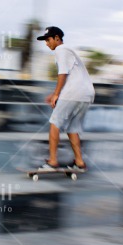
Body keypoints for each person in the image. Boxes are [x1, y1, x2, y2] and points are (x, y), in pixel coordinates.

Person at [36, 26, 95, 172]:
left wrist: (56, 94)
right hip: (86, 95)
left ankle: (53, 161)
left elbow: (63, 73)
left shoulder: (61, 50)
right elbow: (72, 75)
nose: (47, 43)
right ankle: (80, 162)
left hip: (74, 93)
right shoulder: (69, 51)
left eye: (48, 39)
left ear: (57, 38)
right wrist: (55, 93)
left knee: (54, 123)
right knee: (72, 127)